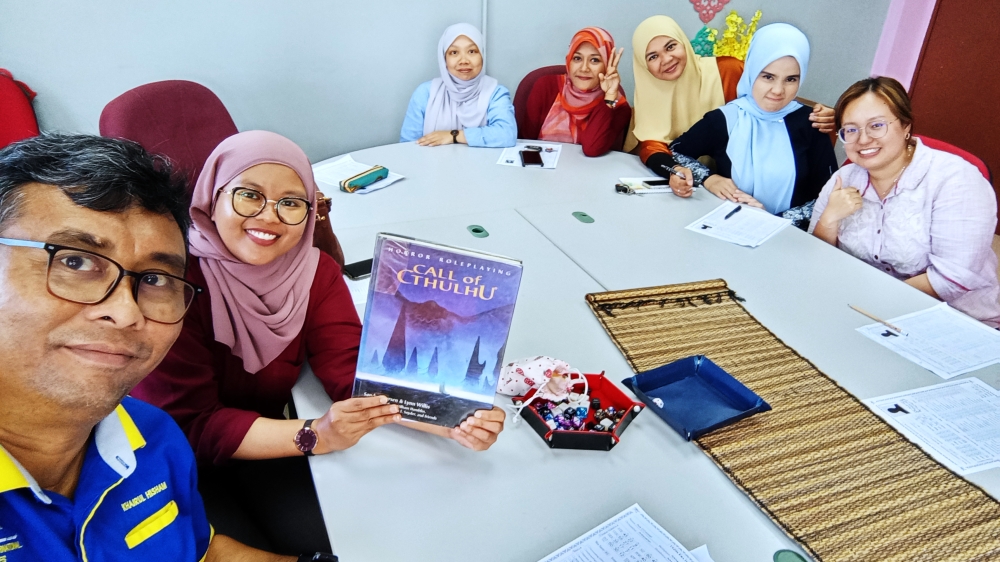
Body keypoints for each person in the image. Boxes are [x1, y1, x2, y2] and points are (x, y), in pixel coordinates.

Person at [132, 130, 507, 554]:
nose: (270, 217)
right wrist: (319, 436)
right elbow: (191, 422)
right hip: (176, 460)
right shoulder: (171, 283)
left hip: (269, 440)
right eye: (249, 195)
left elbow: (352, 371)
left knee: (355, 542)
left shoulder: (315, 272)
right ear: (211, 197)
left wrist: (450, 417)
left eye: (291, 202)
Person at [0, 133, 297, 561]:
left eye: (155, 280)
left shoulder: (152, 437)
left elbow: (201, 551)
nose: (126, 312)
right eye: (75, 261)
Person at [809, 77, 1000, 328]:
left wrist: (869, 306)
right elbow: (814, 256)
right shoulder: (844, 177)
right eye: (851, 129)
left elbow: (953, 279)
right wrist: (829, 219)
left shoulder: (956, 180)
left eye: (876, 125)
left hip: (957, 319)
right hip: (862, 313)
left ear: (906, 126)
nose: (863, 139)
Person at [625, 15, 835, 193]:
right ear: (643, 66)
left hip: (744, 188)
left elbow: (771, 101)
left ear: (683, 43)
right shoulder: (648, 93)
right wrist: (691, 174)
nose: (667, 59)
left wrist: (821, 117)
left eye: (671, 46)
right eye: (653, 56)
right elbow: (654, 146)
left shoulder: (727, 71)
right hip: (708, 191)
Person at [663, 23, 837, 227]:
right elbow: (674, 152)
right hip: (725, 230)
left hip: (789, 241)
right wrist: (709, 179)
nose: (778, 90)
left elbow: (830, 194)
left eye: (791, 79)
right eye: (768, 77)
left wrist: (775, 222)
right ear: (752, 71)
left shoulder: (811, 123)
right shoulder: (726, 118)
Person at [517, 27, 632, 157]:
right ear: (569, 60)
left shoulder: (617, 106)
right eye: (577, 58)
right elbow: (525, 143)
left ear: (606, 64)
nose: (584, 68)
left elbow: (592, 149)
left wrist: (609, 97)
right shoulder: (545, 87)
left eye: (595, 60)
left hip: (589, 174)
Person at [400, 23, 516, 148]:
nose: (464, 60)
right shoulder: (426, 92)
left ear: (482, 56)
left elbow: (507, 135)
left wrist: (453, 136)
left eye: (472, 51)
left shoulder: (495, 92)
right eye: (454, 52)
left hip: (481, 166)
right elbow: (408, 145)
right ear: (444, 58)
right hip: (433, 166)